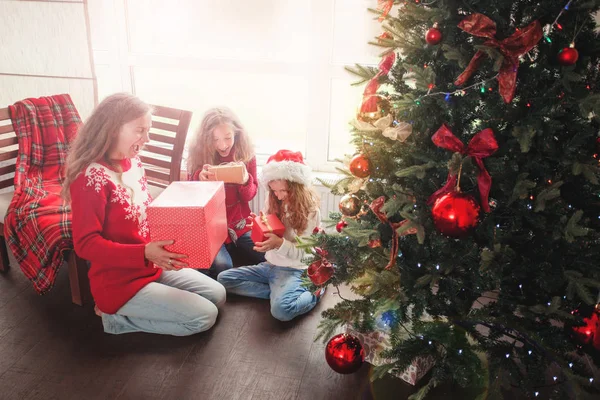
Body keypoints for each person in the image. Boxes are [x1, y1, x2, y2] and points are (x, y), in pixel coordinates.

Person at [62, 93, 226, 336]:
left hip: (151, 266)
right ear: (113, 129)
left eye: (148, 131)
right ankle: (115, 320)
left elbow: (144, 215)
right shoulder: (91, 178)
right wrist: (144, 253)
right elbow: (85, 245)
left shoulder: (135, 163)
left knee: (218, 294)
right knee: (205, 316)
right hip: (119, 283)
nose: (146, 139)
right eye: (140, 130)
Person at [217, 150, 325, 321]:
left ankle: (316, 290)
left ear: (297, 186)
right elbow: (270, 233)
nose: (279, 195)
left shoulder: (311, 211)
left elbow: (303, 255)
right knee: (223, 280)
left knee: (282, 311)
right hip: (270, 265)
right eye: (274, 191)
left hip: (295, 269)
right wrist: (260, 226)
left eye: (284, 191)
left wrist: (279, 244)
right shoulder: (274, 200)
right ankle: (277, 291)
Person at [187, 107, 264, 278]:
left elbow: (249, 196)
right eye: (215, 140)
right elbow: (190, 199)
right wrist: (199, 179)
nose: (222, 145)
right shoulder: (199, 155)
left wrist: (244, 180)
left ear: (236, 134)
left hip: (240, 224)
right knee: (224, 267)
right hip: (210, 227)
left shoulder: (246, 153)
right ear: (206, 140)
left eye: (228, 138)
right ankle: (206, 267)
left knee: (268, 256)